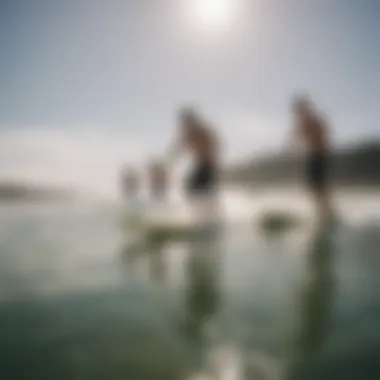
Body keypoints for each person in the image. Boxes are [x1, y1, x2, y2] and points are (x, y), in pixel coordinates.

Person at [291, 95, 332, 221]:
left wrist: (320, 148)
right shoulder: (301, 122)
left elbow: (324, 134)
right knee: (313, 185)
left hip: (319, 156)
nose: (298, 113)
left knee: (318, 185)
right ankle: (323, 212)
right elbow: (296, 138)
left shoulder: (314, 120)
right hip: (312, 156)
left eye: (300, 109)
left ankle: (325, 213)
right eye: (297, 111)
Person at [167, 108, 220, 198]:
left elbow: (181, 145)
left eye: (183, 122)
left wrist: (172, 157)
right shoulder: (197, 129)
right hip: (204, 164)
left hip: (206, 165)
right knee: (195, 189)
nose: (182, 125)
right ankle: (206, 206)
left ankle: (207, 207)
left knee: (195, 189)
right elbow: (181, 145)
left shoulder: (196, 129)